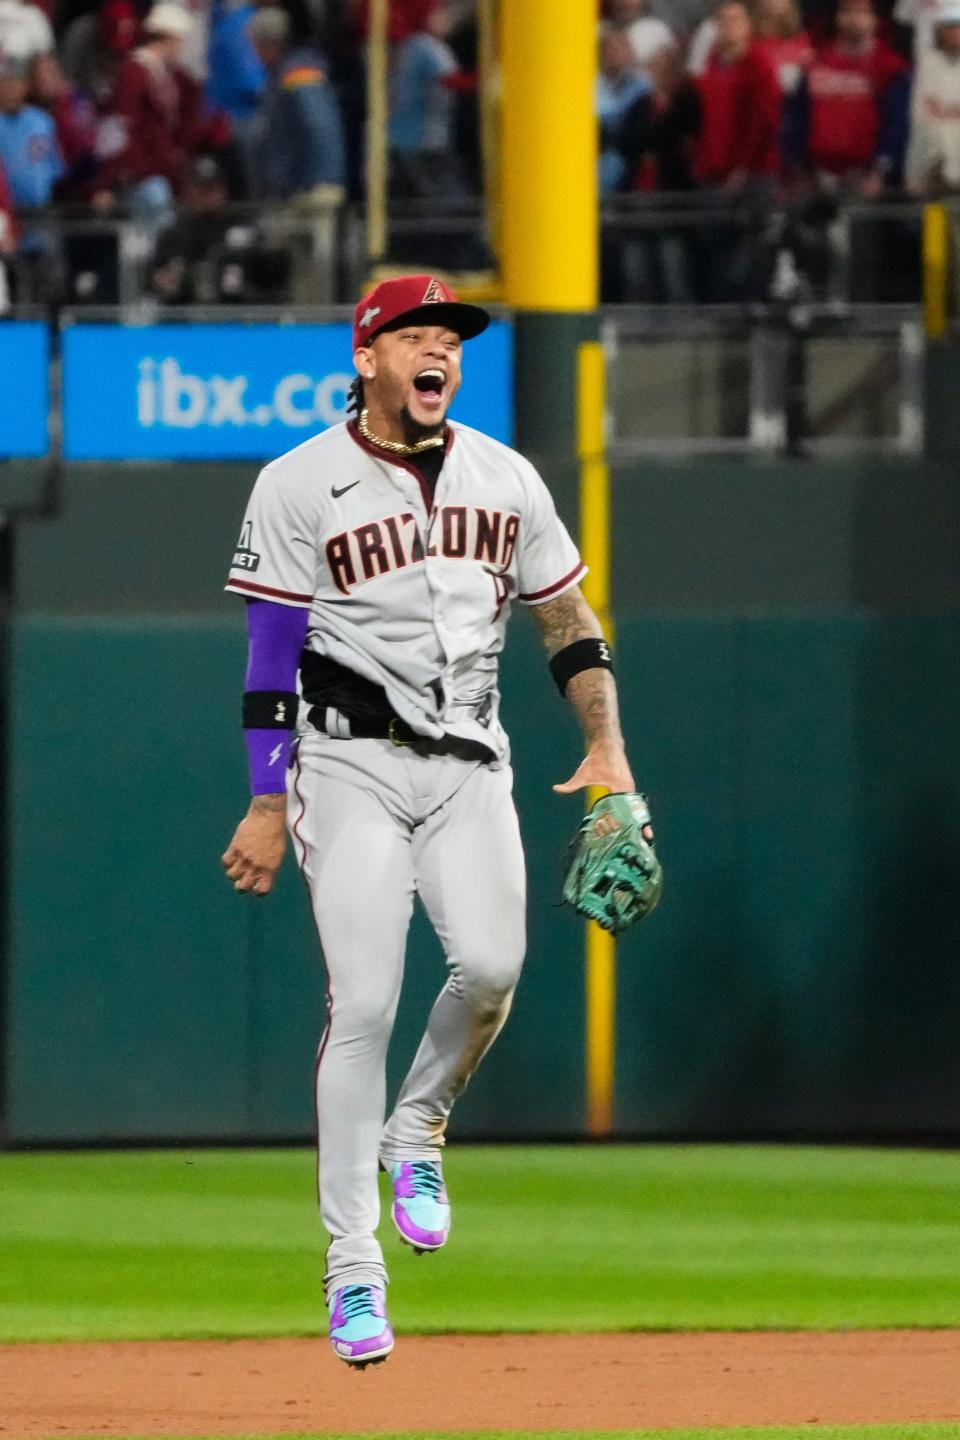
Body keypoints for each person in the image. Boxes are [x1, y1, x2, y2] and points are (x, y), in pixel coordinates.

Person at [221, 274, 640, 1368]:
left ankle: (419, 1126)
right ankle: (352, 1267)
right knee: (364, 997)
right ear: (368, 358)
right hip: (347, 763)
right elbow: (271, 661)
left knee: (493, 968)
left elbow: (566, 616)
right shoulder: (300, 481)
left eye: (447, 336)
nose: (435, 350)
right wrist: (269, 798)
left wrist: (608, 746)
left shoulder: (506, 478)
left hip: (471, 766)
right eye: (412, 333)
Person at [798, 0, 910, 195]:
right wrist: (800, 169)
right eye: (846, 11)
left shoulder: (890, 66)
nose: (853, 19)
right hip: (818, 178)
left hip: (867, 178)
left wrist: (880, 172)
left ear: (874, 20)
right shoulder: (816, 62)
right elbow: (798, 116)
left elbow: (897, 124)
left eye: (862, 12)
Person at [247, 5, 345, 206]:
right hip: (289, 187)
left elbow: (319, 126)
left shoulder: (299, 73)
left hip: (307, 190)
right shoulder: (279, 74)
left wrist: (321, 181)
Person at [693, 0, 781, 191]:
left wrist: (743, 167)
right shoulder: (712, 62)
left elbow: (763, 121)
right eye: (723, 21)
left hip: (755, 171)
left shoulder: (759, 65)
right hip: (714, 168)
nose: (728, 26)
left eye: (735, 20)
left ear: (748, 25)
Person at [905, 1, 960, 191]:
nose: (955, 32)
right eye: (950, 27)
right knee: (934, 218)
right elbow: (919, 121)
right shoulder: (926, 67)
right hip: (932, 174)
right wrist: (916, 169)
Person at [598, 24, 651, 192]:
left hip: (631, 155)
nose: (615, 55)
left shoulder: (642, 85)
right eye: (610, 49)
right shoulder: (589, 84)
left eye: (620, 49)